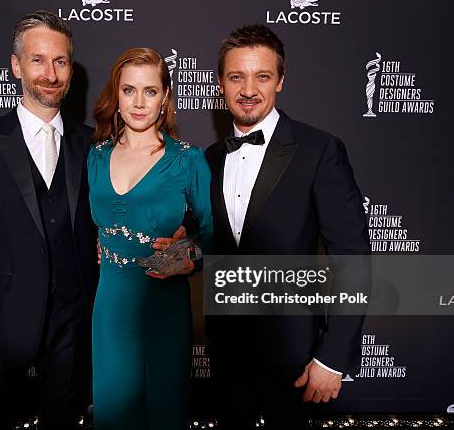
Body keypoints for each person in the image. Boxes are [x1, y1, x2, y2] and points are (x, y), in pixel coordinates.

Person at [204, 24, 370, 429]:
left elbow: (353, 257)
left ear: (280, 80)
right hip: (226, 354)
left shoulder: (319, 151)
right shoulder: (207, 159)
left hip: (295, 355)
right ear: (220, 84)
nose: (248, 89)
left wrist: (333, 357)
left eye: (262, 76)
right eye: (236, 77)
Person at [0, 11, 98, 429]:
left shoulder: (93, 146)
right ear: (16, 66)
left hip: (73, 323)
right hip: (0, 326)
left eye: (61, 62)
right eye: (38, 60)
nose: (50, 74)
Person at [87, 47, 213, 430]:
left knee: (164, 412)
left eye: (150, 91)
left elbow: (212, 233)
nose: (139, 102)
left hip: (163, 305)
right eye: (129, 91)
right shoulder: (95, 157)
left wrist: (186, 251)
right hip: (110, 308)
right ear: (116, 95)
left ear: (165, 98)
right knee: (111, 414)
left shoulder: (189, 160)